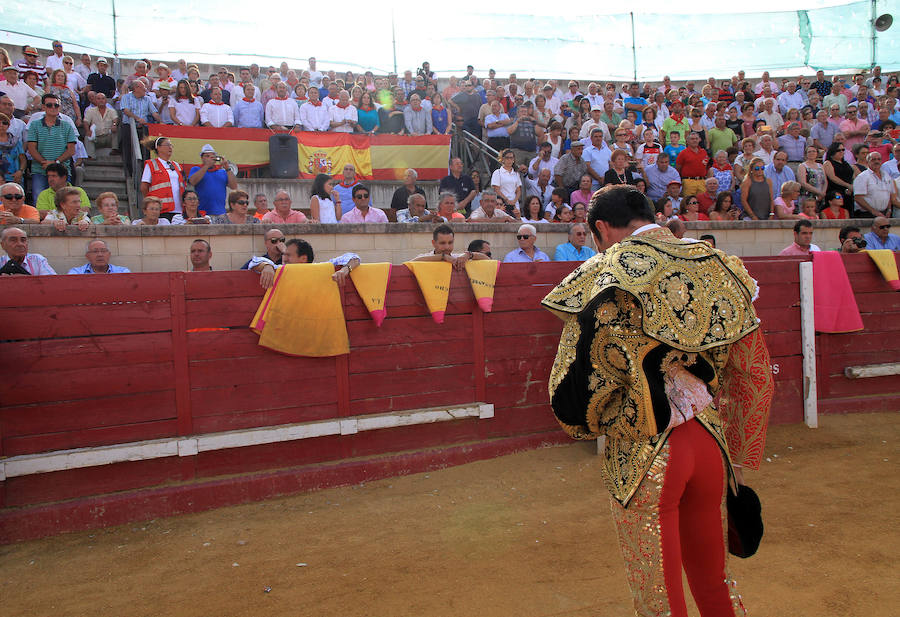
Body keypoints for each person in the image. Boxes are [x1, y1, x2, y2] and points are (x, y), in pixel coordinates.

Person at [542, 184, 772, 617]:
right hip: (709, 441)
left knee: (658, 595)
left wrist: (588, 422)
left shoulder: (607, 270)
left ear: (602, 228)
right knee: (714, 582)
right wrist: (737, 457)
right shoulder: (717, 262)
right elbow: (753, 370)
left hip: (646, 447)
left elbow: (582, 376)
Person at [251, 237, 362, 288]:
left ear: (303, 258)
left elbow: (354, 257)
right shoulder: (280, 269)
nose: (284, 258)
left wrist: (345, 269)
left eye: (288, 255)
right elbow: (254, 261)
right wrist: (267, 266)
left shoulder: (321, 269)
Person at [26, 93, 77, 196]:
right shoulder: (34, 125)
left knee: (64, 202)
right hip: (40, 169)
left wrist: (55, 162)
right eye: (50, 105)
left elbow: (71, 150)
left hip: (62, 171)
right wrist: (45, 163)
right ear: (43, 107)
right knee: (39, 200)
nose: (53, 107)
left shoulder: (67, 125)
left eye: (56, 105)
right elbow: (31, 148)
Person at [139, 136, 184, 217]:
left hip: (179, 210)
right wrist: (151, 202)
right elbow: (144, 187)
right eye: (167, 145)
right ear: (158, 148)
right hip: (161, 210)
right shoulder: (151, 164)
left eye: (171, 145)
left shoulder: (177, 165)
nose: (170, 147)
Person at [412, 224, 488, 271]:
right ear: (433, 243)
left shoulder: (457, 258)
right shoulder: (426, 257)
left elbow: (488, 260)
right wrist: (443, 257)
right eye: (442, 243)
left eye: (450, 243)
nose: (447, 247)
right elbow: (411, 263)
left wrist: (469, 254)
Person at [188, 144, 237, 216]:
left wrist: (227, 168)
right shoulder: (196, 169)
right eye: (207, 156)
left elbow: (234, 186)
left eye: (212, 156)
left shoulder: (222, 172)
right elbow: (192, 182)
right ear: (202, 158)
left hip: (220, 213)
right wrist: (207, 166)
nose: (210, 158)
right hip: (202, 213)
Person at [853, 151, 898, 217]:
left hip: (884, 213)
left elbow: (889, 194)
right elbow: (858, 198)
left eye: (879, 159)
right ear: (867, 162)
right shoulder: (862, 177)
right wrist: (873, 211)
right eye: (873, 159)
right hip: (867, 214)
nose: (876, 161)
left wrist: (889, 209)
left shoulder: (887, 176)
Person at [675, 132, 709, 197]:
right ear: (687, 141)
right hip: (688, 181)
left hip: (702, 181)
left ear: (699, 140)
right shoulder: (683, 153)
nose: (695, 140)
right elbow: (678, 169)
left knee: (702, 201)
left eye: (696, 138)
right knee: (688, 202)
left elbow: (706, 166)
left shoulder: (704, 152)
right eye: (692, 139)